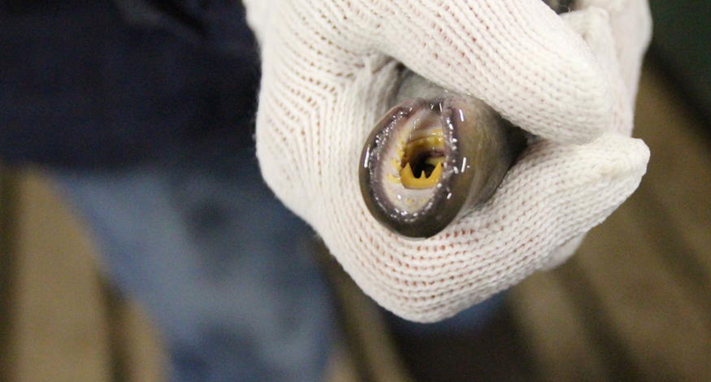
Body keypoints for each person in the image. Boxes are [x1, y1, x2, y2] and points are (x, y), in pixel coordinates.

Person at [0, 0, 652, 380]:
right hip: (115, 99)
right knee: (244, 333)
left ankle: (464, 341)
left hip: (420, 49)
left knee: (461, 269)